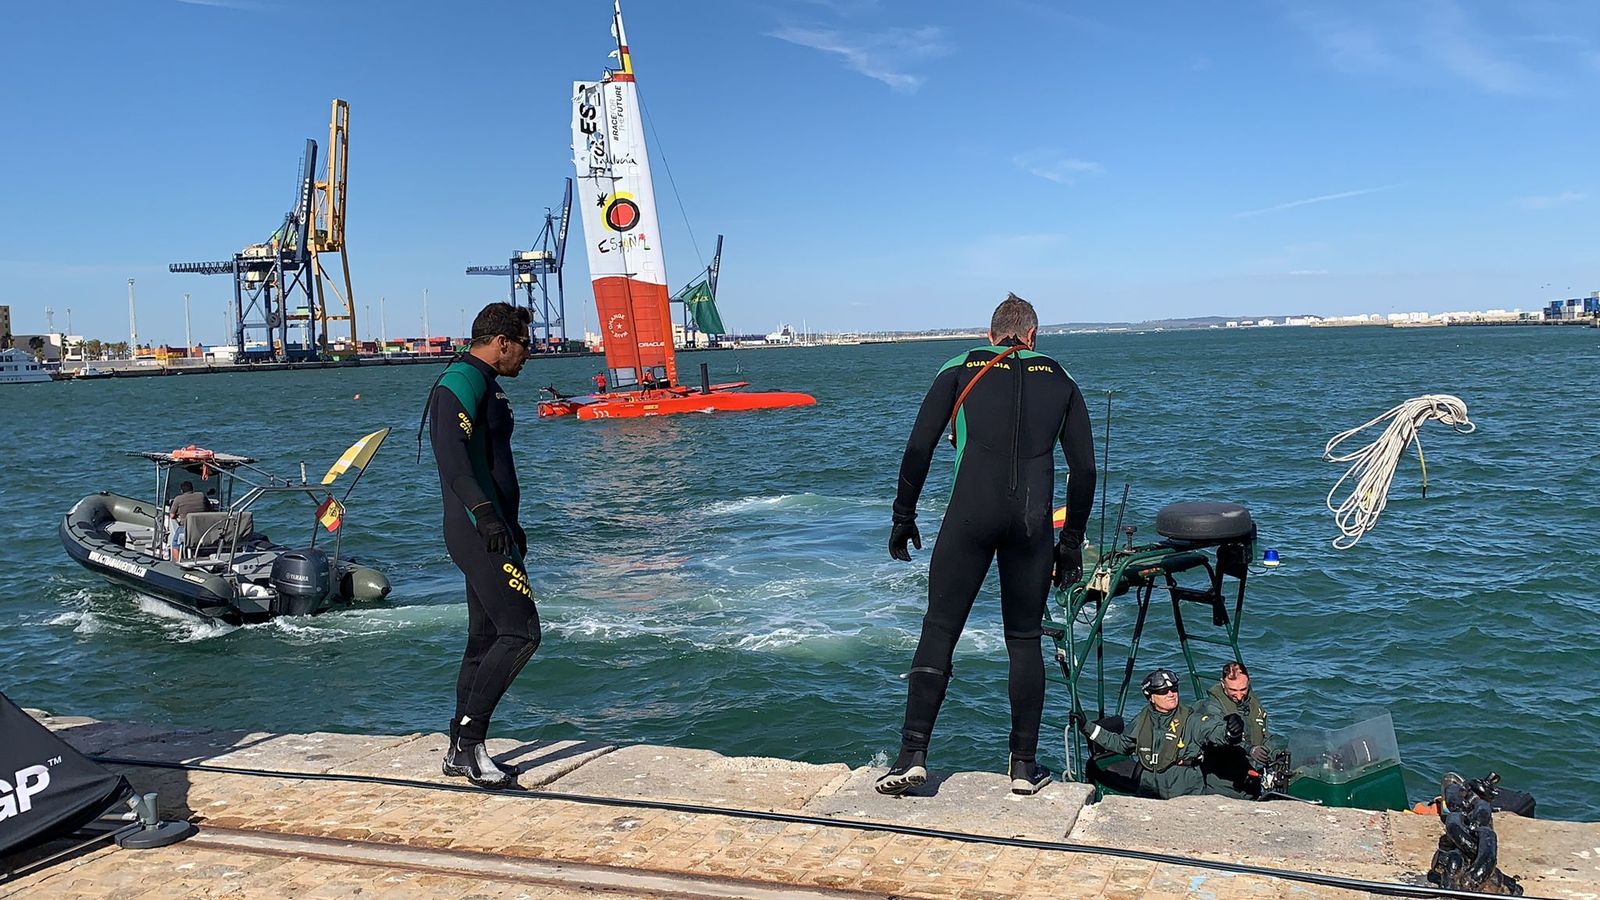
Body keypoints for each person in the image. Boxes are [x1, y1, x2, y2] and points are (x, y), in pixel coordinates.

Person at [876, 293, 1097, 797]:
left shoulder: (958, 368)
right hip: (1031, 526)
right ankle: (1023, 767)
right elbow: (1084, 470)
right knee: (1023, 640)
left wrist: (903, 516)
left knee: (939, 628)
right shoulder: (1060, 378)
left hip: (968, 519)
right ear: (1033, 335)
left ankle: (912, 755)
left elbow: (918, 447)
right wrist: (1071, 545)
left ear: (990, 333)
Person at [428, 302, 536, 789]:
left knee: (485, 637)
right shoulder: (460, 382)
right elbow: (454, 464)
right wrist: (489, 517)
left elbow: (493, 464)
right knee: (521, 633)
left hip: (495, 528)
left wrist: (511, 524)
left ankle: (459, 748)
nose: (529, 355)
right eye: (525, 345)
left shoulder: (487, 385)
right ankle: (471, 744)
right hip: (476, 529)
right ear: (502, 341)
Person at [1071, 668, 1243, 799]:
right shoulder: (1142, 720)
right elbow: (1121, 744)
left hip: (1184, 786)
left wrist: (1232, 731)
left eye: (1174, 689)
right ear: (1151, 697)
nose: (1171, 694)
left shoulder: (1191, 719)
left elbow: (1215, 731)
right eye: (1163, 691)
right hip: (1149, 785)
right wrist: (1087, 727)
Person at [1195, 661, 1273, 799]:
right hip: (1223, 784)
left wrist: (1274, 753)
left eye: (1243, 689)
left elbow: (1265, 735)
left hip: (1252, 781)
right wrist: (1232, 734)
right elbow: (1212, 732)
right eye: (1233, 691)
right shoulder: (1212, 706)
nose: (1239, 695)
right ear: (1223, 684)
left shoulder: (1253, 704)